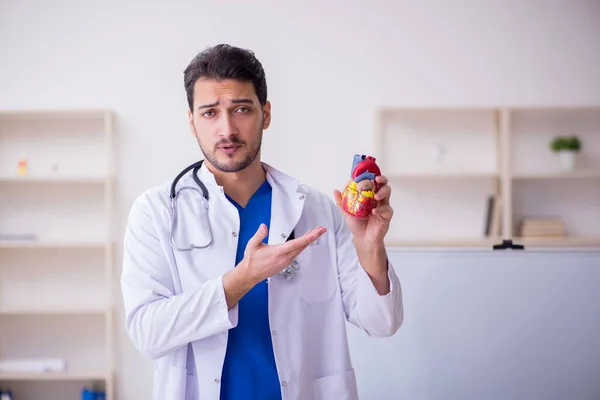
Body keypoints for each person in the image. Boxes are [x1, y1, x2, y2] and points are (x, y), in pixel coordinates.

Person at [121, 43, 404, 400]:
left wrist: (371, 248)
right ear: (192, 122)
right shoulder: (157, 212)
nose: (227, 129)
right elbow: (148, 333)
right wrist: (241, 280)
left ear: (265, 114)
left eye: (241, 109)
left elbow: (382, 323)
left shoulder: (315, 209)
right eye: (210, 113)